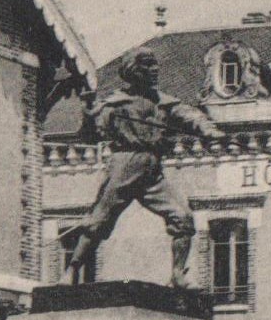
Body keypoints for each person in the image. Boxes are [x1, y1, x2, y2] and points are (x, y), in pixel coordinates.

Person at [61, 49, 226, 287]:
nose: (155, 69)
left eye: (155, 64)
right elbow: (89, 136)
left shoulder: (163, 102)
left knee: (183, 217)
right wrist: (88, 111)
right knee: (98, 220)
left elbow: (190, 116)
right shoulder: (114, 104)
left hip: (152, 170)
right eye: (149, 65)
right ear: (134, 71)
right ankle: (71, 271)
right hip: (125, 165)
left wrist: (209, 131)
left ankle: (178, 274)